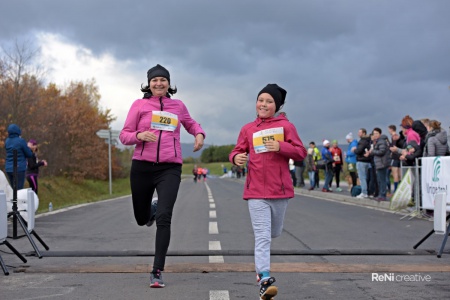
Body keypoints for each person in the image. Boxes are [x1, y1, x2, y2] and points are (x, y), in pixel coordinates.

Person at [119, 64, 205, 288]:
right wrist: (140, 135)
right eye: (154, 80)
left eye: (163, 80)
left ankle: (156, 271)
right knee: (141, 218)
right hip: (142, 167)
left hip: (169, 168)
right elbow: (124, 135)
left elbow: (190, 123)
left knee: (165, 217)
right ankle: (151, 211)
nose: (159, 84)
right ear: (148, 83)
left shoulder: (178, 106)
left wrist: (199, 133)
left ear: (169, 83)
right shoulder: (139, 105)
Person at [229, 83, 306, 300]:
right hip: (255, 191)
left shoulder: (286, 127)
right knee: (262, 236)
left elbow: (301, 152)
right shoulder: (248, 129)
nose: (263, 104)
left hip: (279, 191)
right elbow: (237, 150)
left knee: (274, 232)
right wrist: (236, 158)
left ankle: (263, 274)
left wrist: (281, 147)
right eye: (261, 100)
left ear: (277, 105)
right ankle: (264, 279)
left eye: (269, 101)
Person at [4, 124, 33, 190]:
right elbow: (29, 154)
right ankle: (17, 200)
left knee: (13, 189)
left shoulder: (7, 141)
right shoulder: (21, 141)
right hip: (19, 168)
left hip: (9, 168)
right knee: (19, 189)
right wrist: (29, 148)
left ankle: (14, 199)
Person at [365, 128, 391, 201]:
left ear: (380, 134)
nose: (375, 135)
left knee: (382, 180)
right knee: (379, 179)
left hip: (382, 163)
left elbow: (381, 151)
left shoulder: (381, 141)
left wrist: (373, 152)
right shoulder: (377, 141)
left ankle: (383, 195)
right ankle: (381, 194)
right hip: (379, 163)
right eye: (374, 134)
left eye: (377, 133)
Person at [354, 128, 371, 198]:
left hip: (361, 160)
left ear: (364, 133)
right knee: (365, 177)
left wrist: (354, 150)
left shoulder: (362, 141)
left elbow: (359, 151)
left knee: (362, 177)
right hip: (367, 161)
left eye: (360, 132)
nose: (358, 134)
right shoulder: (368, 140)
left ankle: (364, 192)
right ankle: (366, 191)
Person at [388, 125, 405, 193]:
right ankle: (400, 190)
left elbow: (394, 146)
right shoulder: (399, 136)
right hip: (400, 156)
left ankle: (396, 190)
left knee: (395, 174)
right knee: (400, 174)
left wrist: (391, 149)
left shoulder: (394, 136)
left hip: (395, 157)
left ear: (391, 129)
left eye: (389, 130)